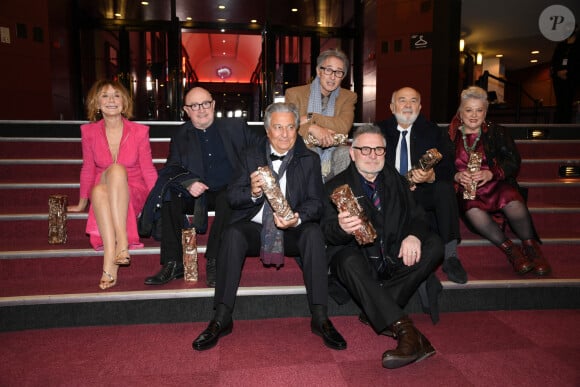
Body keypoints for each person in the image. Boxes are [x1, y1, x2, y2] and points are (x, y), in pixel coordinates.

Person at [192, 102, 347, 352]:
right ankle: (221, 317)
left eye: (290, 127)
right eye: (278, 127)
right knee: (232, 234)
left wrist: (296, 217)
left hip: (292, 229)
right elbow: (232, 196)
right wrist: (252, 193)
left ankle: (320, 317)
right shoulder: (249, 155)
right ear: (267, 131)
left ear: (297, 129)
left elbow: (317, 203)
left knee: (313, 233)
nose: (285, 134)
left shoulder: (309, 158)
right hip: (255, 227)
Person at [321, 124, 443, 369]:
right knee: (344, 259)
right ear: (352, 153)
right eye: (365, 149)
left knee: (435, 245)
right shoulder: (334, 187)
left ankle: (376, 307)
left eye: (378, 150)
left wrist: (413, 236)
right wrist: (342, 229)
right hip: (361, 264)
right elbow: (325, 232)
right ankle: (406, 332)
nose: (372, 155)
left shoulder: (395, 180)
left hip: (395, 257)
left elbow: (419, 216)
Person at [141, 87, 260, 287]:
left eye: (205, 103)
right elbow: (172, 167)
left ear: (213, 105)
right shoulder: (181, 134)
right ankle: (173, 262)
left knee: (227, 197)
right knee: (171, 195)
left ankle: (214, 261)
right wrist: (189, 183)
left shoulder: (235, 126)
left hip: (226, 189)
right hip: (197, 192)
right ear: (187, 111)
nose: (201, 109)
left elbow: (264, 144)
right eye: (194, 106)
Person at [449, 86, 551, 276]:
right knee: (472, 208)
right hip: (466, 188)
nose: (474, 115)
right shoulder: (450, 136)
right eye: (468, 110)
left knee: (513, 200)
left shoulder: (497, 132)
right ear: (460, 113)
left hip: (495, 183)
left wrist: (491, 173)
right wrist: (456, 176)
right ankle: (511, 250)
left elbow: (513, 161)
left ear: (485, 112)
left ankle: (531, 248)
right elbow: (441, 168)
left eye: (479, 110)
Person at [68, 79, 158, 290]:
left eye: (116, 95)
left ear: (124, 102)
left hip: (133, 189)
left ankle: (116, 250)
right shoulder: (88, 132)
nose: (111, 100)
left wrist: (157, 198)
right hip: (104, 185)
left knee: (115, 172)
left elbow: (147, 169)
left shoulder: (140, 131)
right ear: (96, 103)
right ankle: (116, 251)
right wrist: (82, 202)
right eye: (105, 96)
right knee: (99, 188)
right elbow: (88, 168)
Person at [376, 87, 467, 284]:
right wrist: (395, 184)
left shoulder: (433, 132)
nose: (408, 105)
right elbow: (366, 165)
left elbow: (449, 168)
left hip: (422, 193)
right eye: (402, 100)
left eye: (413, 101)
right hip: (388, 194)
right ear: (392, 107)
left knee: (444, 189)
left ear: (420, 106)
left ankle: (451, 255)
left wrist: (431, 176)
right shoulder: (378, 131)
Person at [285, 48, 357, 181]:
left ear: (343, 76)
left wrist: (311, 117)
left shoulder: (348, 97)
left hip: (334, 151)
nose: (333, 76)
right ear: (319, 71)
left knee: (346, 153)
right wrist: (313, 129)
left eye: (339, 72)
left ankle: (340, 198)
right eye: (328, 70)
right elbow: (290, 126)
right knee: (308, 155)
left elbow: (343, 127)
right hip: (305, 147)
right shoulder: (294, 94)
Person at [550, 25, 580, 123]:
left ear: (575, 29)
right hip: (558, 80)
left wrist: (568, 72)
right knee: (560, 103)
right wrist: (557, 73)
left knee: (568, 103)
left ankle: (565, 126)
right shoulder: (560, 46)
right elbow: (553, 63)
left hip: (572, 79)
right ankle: (558, 126)